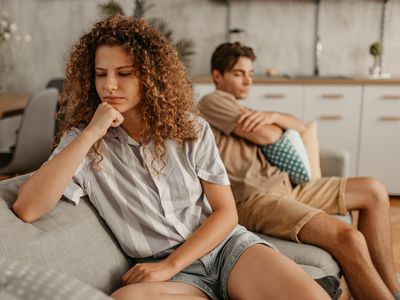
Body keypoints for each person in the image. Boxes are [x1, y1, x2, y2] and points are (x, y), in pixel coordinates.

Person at [12, 17, 329, 300]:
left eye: (124, 73)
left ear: (150, 77)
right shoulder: (82, 143)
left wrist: (171, 264)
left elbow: (226, 213)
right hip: (169, 275)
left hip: (222, 248)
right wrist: (92, 133)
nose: (108, 85)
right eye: (100, 74)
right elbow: (28, 208)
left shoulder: (190, 129)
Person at [199, 41, 400, 300]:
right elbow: (266, 135)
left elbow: (300, 127)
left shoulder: (244, 108)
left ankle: (392, 289)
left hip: (287, 186)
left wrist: (273, 115)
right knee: (349, 238)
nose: (248, 81)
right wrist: (274, 124)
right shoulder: (213, 101)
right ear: (217, 76)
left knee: (373, 190)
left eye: (250, 73)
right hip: (256, 197)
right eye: (239, 74)